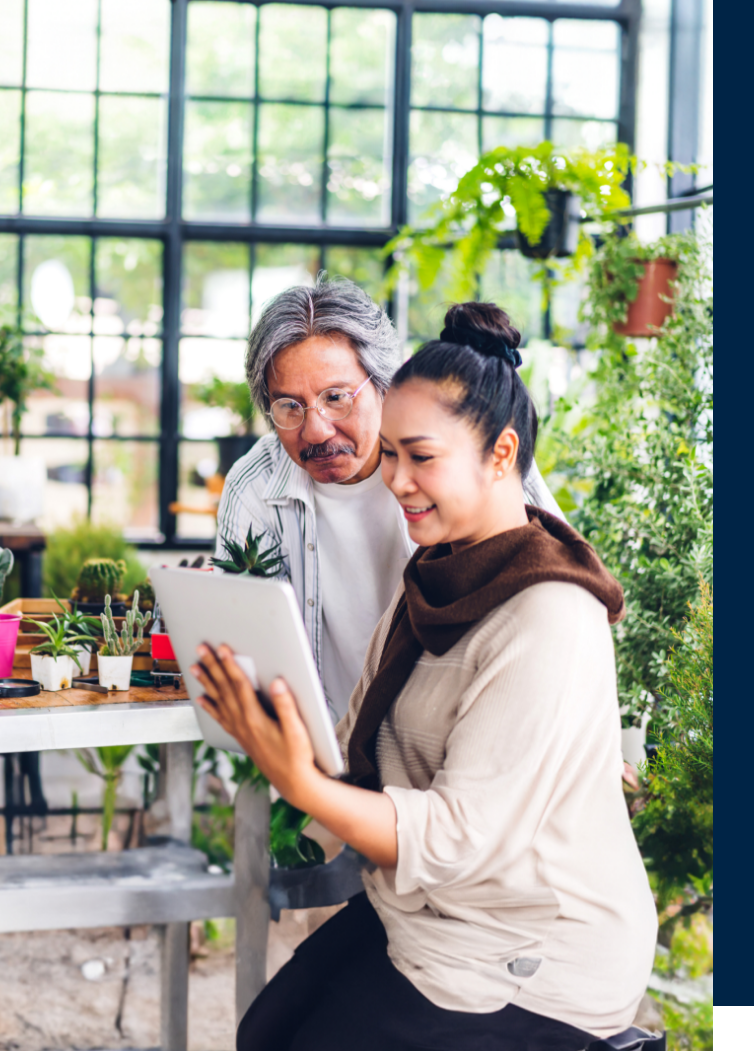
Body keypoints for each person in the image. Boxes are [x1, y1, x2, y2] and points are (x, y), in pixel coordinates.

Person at [195, 301, 658, 1051]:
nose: (398, 481)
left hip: (527, 943)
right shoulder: (434, 574)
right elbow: (350, 735)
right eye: (394, 458)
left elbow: (457, 835)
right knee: (263, 1033)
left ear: (502, 455)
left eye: (420, 456)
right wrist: (268, 724)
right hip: (430, 904)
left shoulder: (546, 612)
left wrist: (305, 784)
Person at [215, 275, 564, 719]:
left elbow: (557, 574)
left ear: (386, 382)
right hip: (332, 753)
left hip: (454, 737)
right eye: (289, 407)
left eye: (336, 397)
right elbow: (241, 639)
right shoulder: (255, 484)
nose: (316, 430)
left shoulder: (469, 454)